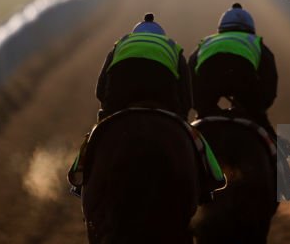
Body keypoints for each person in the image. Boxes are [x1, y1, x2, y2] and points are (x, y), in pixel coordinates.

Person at [70, 14, 223, 201]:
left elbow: (100, 91)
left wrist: (108, 113)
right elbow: (186, 96)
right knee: (194, 138)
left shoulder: (120, 46)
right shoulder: (172, 48)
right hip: (165, 103)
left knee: (94, 136)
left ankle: (79, 176)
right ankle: (211, 181)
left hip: (119, 101)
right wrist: (181, 120)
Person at [189, 3, 277, 139]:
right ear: (251, 30)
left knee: (195, 131)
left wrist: (203, 108)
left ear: (221, 29)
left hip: (208, 85)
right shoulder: (256, 43)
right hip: (246, 84)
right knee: (269, 135)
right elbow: (269, 85)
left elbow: (190, 82)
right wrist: (257, 110)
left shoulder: (205, 43)